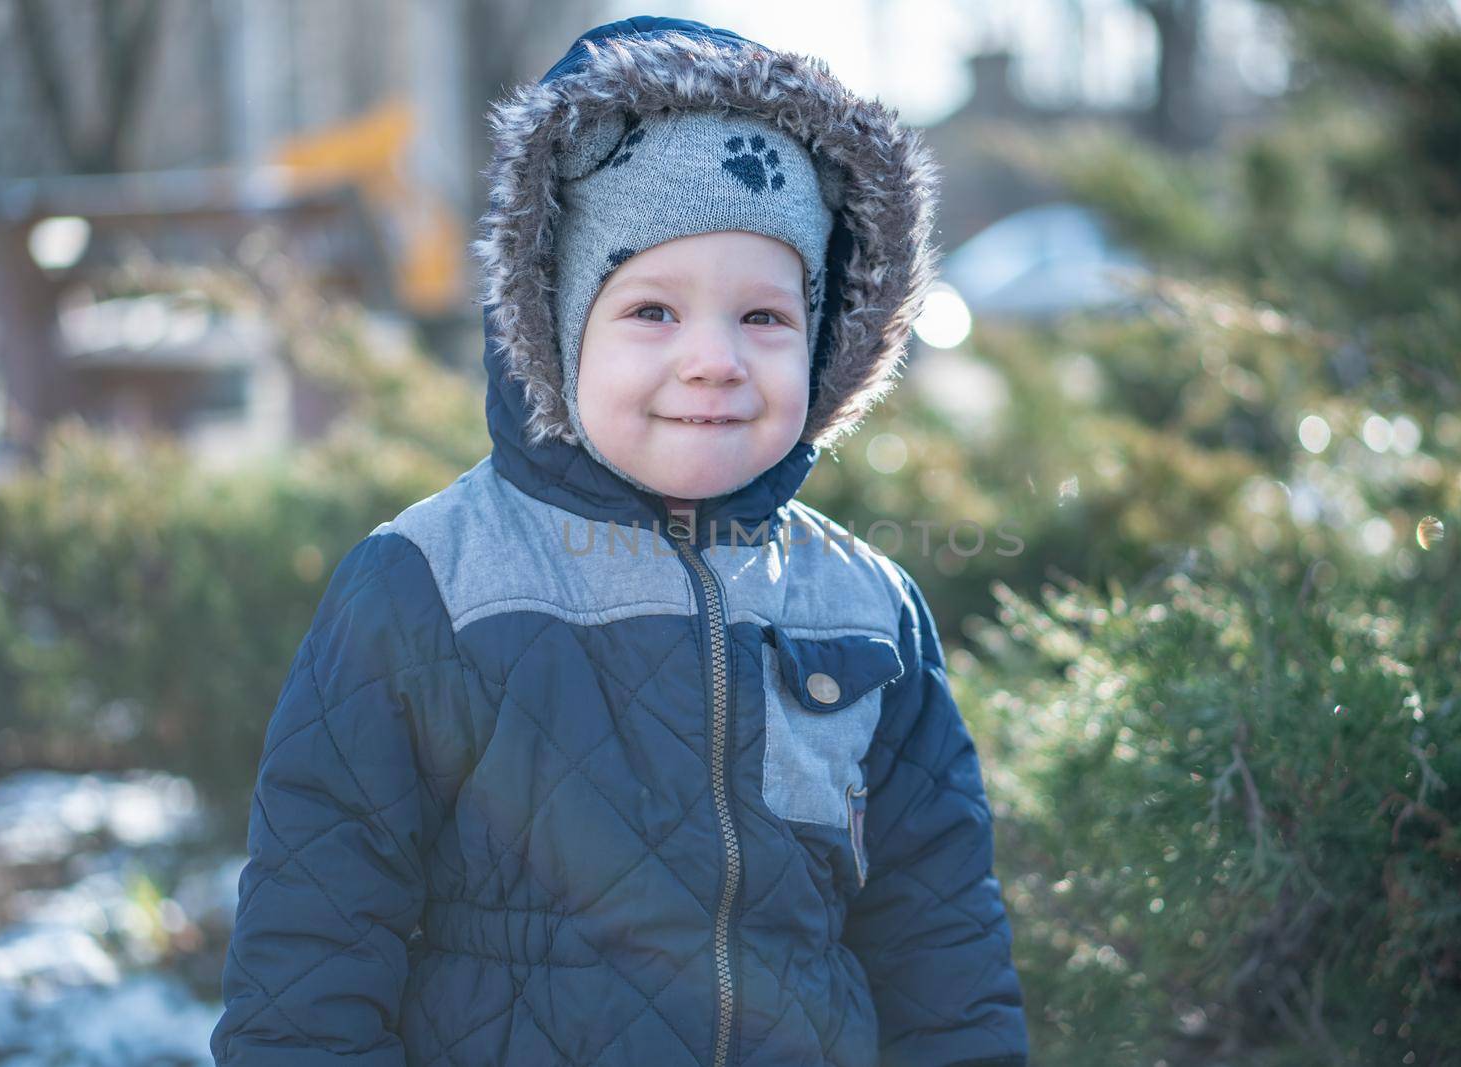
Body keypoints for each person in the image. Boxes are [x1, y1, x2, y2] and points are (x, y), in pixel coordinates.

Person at [210, 15, 1028, 1067]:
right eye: (650, 309)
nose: (713, 360)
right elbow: (311, 955)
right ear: (551, 326)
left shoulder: (866, 611)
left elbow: (940, 945)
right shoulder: (431, 586)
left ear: (829, 339)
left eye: (765, 317)